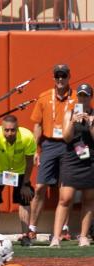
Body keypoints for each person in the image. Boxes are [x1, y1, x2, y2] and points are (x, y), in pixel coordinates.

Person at [28, 64, 74, 245]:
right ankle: (32, 228)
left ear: (69, 76)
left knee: (65, 189)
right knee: (40, 187)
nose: (60, 79)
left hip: (69, 145)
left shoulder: (77, 97)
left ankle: (64, 228)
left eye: (63, 76)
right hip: (48, 144)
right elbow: (37, 125)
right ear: (53, 78)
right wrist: (34, 150)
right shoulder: (44, 97)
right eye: (57, 76)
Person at [51, 82, 94, 248]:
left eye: (86, 95)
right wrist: (72, 121)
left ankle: (83, 236)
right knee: (65, 198)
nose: (83, 99)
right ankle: (56, 237)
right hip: (72, 158)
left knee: (89, 199)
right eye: (80, 95)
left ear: (90, 98)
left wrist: (90, 124)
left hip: (90, 160)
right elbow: (67, 138)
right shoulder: (69, 113)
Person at [0, 115, 36, 239]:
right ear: (2, 129)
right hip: (0, 171)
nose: (9, 133)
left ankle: (25, 236)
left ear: (17, 128)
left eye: (13, 130)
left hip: (20, 171)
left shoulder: (27, 136)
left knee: (25, 197)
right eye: (6, 130)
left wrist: (25, 184)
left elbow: (30, 162)